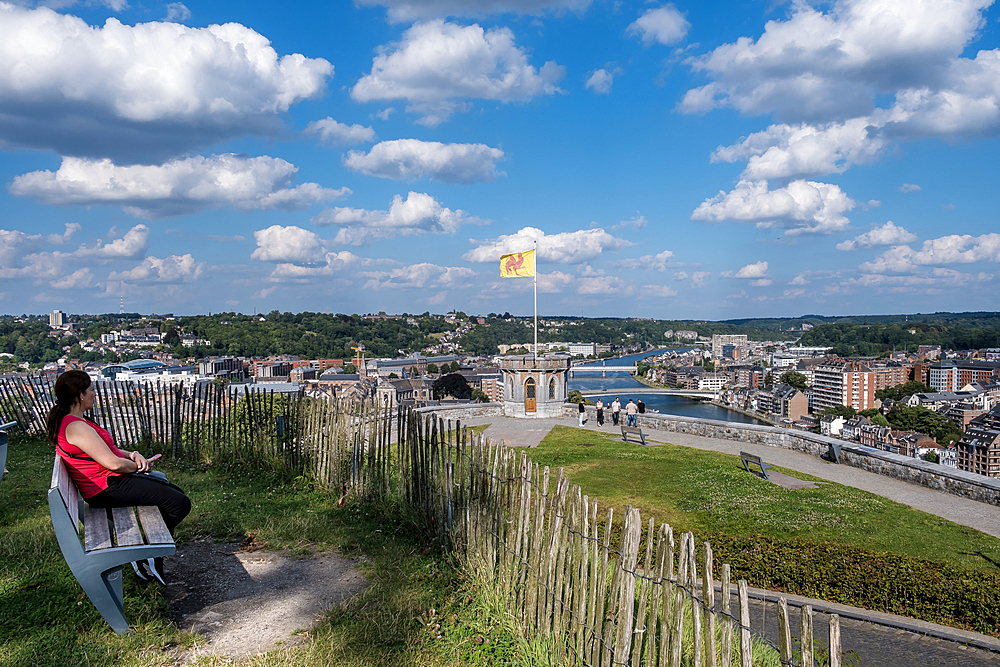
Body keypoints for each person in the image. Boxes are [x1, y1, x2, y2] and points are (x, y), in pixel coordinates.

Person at [47, 370, 191, 585]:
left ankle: (149, 551)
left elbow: (107, 449)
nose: (95, 394)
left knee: (174, 494)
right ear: (80, 395)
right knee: (178, 503)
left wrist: (134, 455)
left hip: (106, 482)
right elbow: (113, 463)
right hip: (105, 487)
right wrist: (138, 467)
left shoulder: (75, 421)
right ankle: (147, 555)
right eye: (92, 390)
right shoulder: (76, 426)